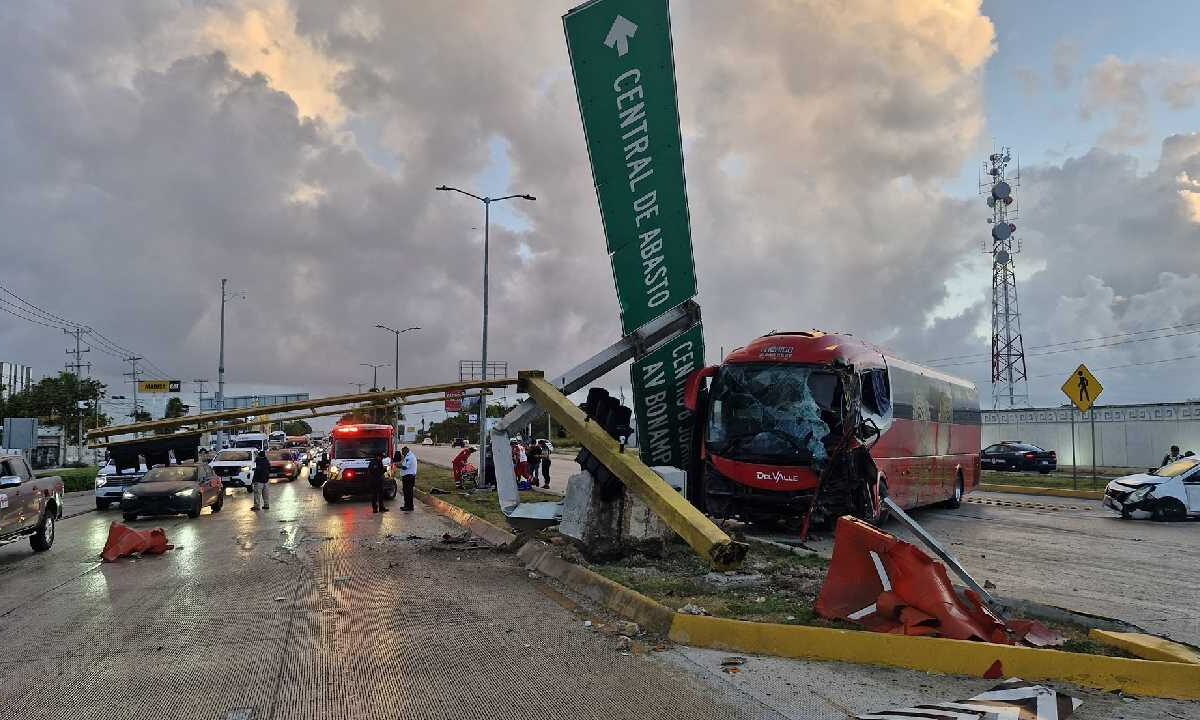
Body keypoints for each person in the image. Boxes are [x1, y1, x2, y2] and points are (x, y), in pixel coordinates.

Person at [398, 446, 417, 511]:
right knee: (407, 492)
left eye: (403, 452)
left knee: (408, 492)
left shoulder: (409, 457)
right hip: (408, 477)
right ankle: (407, 505)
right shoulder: (409, 456)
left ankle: (409, 506)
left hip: (408, 477)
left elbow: (405, 467)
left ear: (406, 451)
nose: (402, 453)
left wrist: (397, 465)